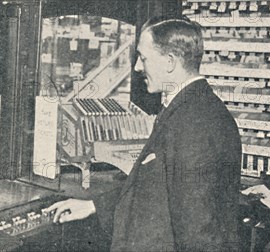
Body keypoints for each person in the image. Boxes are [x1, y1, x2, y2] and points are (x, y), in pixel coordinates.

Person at [43, 16, 242, 252]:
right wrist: (94, 206)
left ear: (170, 62)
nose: (137, 67)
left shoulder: (195, 123)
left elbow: (200, 232)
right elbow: (155, 189)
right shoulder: (189, 107)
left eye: (144, 58)